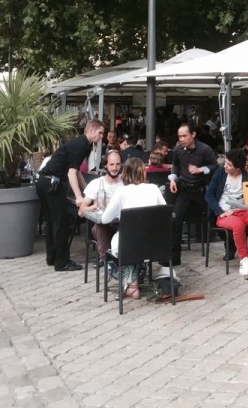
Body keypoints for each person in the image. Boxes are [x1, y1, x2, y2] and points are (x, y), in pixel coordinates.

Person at [35, 119, 105, 272]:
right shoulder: (81, 145)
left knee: (52, 221)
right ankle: (62, 262)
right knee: (60, 222)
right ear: (91, 131)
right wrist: (79, 197)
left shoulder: (83, 145)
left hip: (44, 182)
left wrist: (86, 190)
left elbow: (76, 170)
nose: (101, 137)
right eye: (100, 133)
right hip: (52, 184)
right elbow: (71, 172)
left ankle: (52, 257)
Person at [100, 158, 166, 299]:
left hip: (128, 245)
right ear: (143, 172)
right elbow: (164, 213)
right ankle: (133, 285)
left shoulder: (122, 192)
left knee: (122, 241)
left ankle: (132, 286)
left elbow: (105, 219)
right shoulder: (154, 188)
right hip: (154, 245)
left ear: (125, 173)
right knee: (135, 239)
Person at [168, 122, 218, 267]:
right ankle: (174, 259)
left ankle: (229, 247)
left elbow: (215, 166)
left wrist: (201, 169)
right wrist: (173, 179)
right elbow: (175, 166)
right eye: (179, 136)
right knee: (175, 221)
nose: (182, 139)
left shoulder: (205, 149)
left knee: (214, 216)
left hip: (201, 190)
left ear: (193, 135)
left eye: (184, 136)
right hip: (184, 189)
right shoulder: (178, 150)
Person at [206, 149, 248, 277]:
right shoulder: (220, 173)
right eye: (225, 162)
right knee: (238, 225)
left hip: (243, 210)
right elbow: (209, 195)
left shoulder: (247, 175)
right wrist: (220, 212)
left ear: (238, 168)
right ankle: (244, 258)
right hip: (225, 212)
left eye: (229, 164)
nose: (225, 165)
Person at [77, 149, 125, 261]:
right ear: (105, 166)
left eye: (118, 164)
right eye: (111, 164)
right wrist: (96, 205)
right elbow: (81, 211)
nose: (115, 168)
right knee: (99, 227)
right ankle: (107, 261)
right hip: (104, 225)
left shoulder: (126, 183)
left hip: (123, 224)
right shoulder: (96, 183)